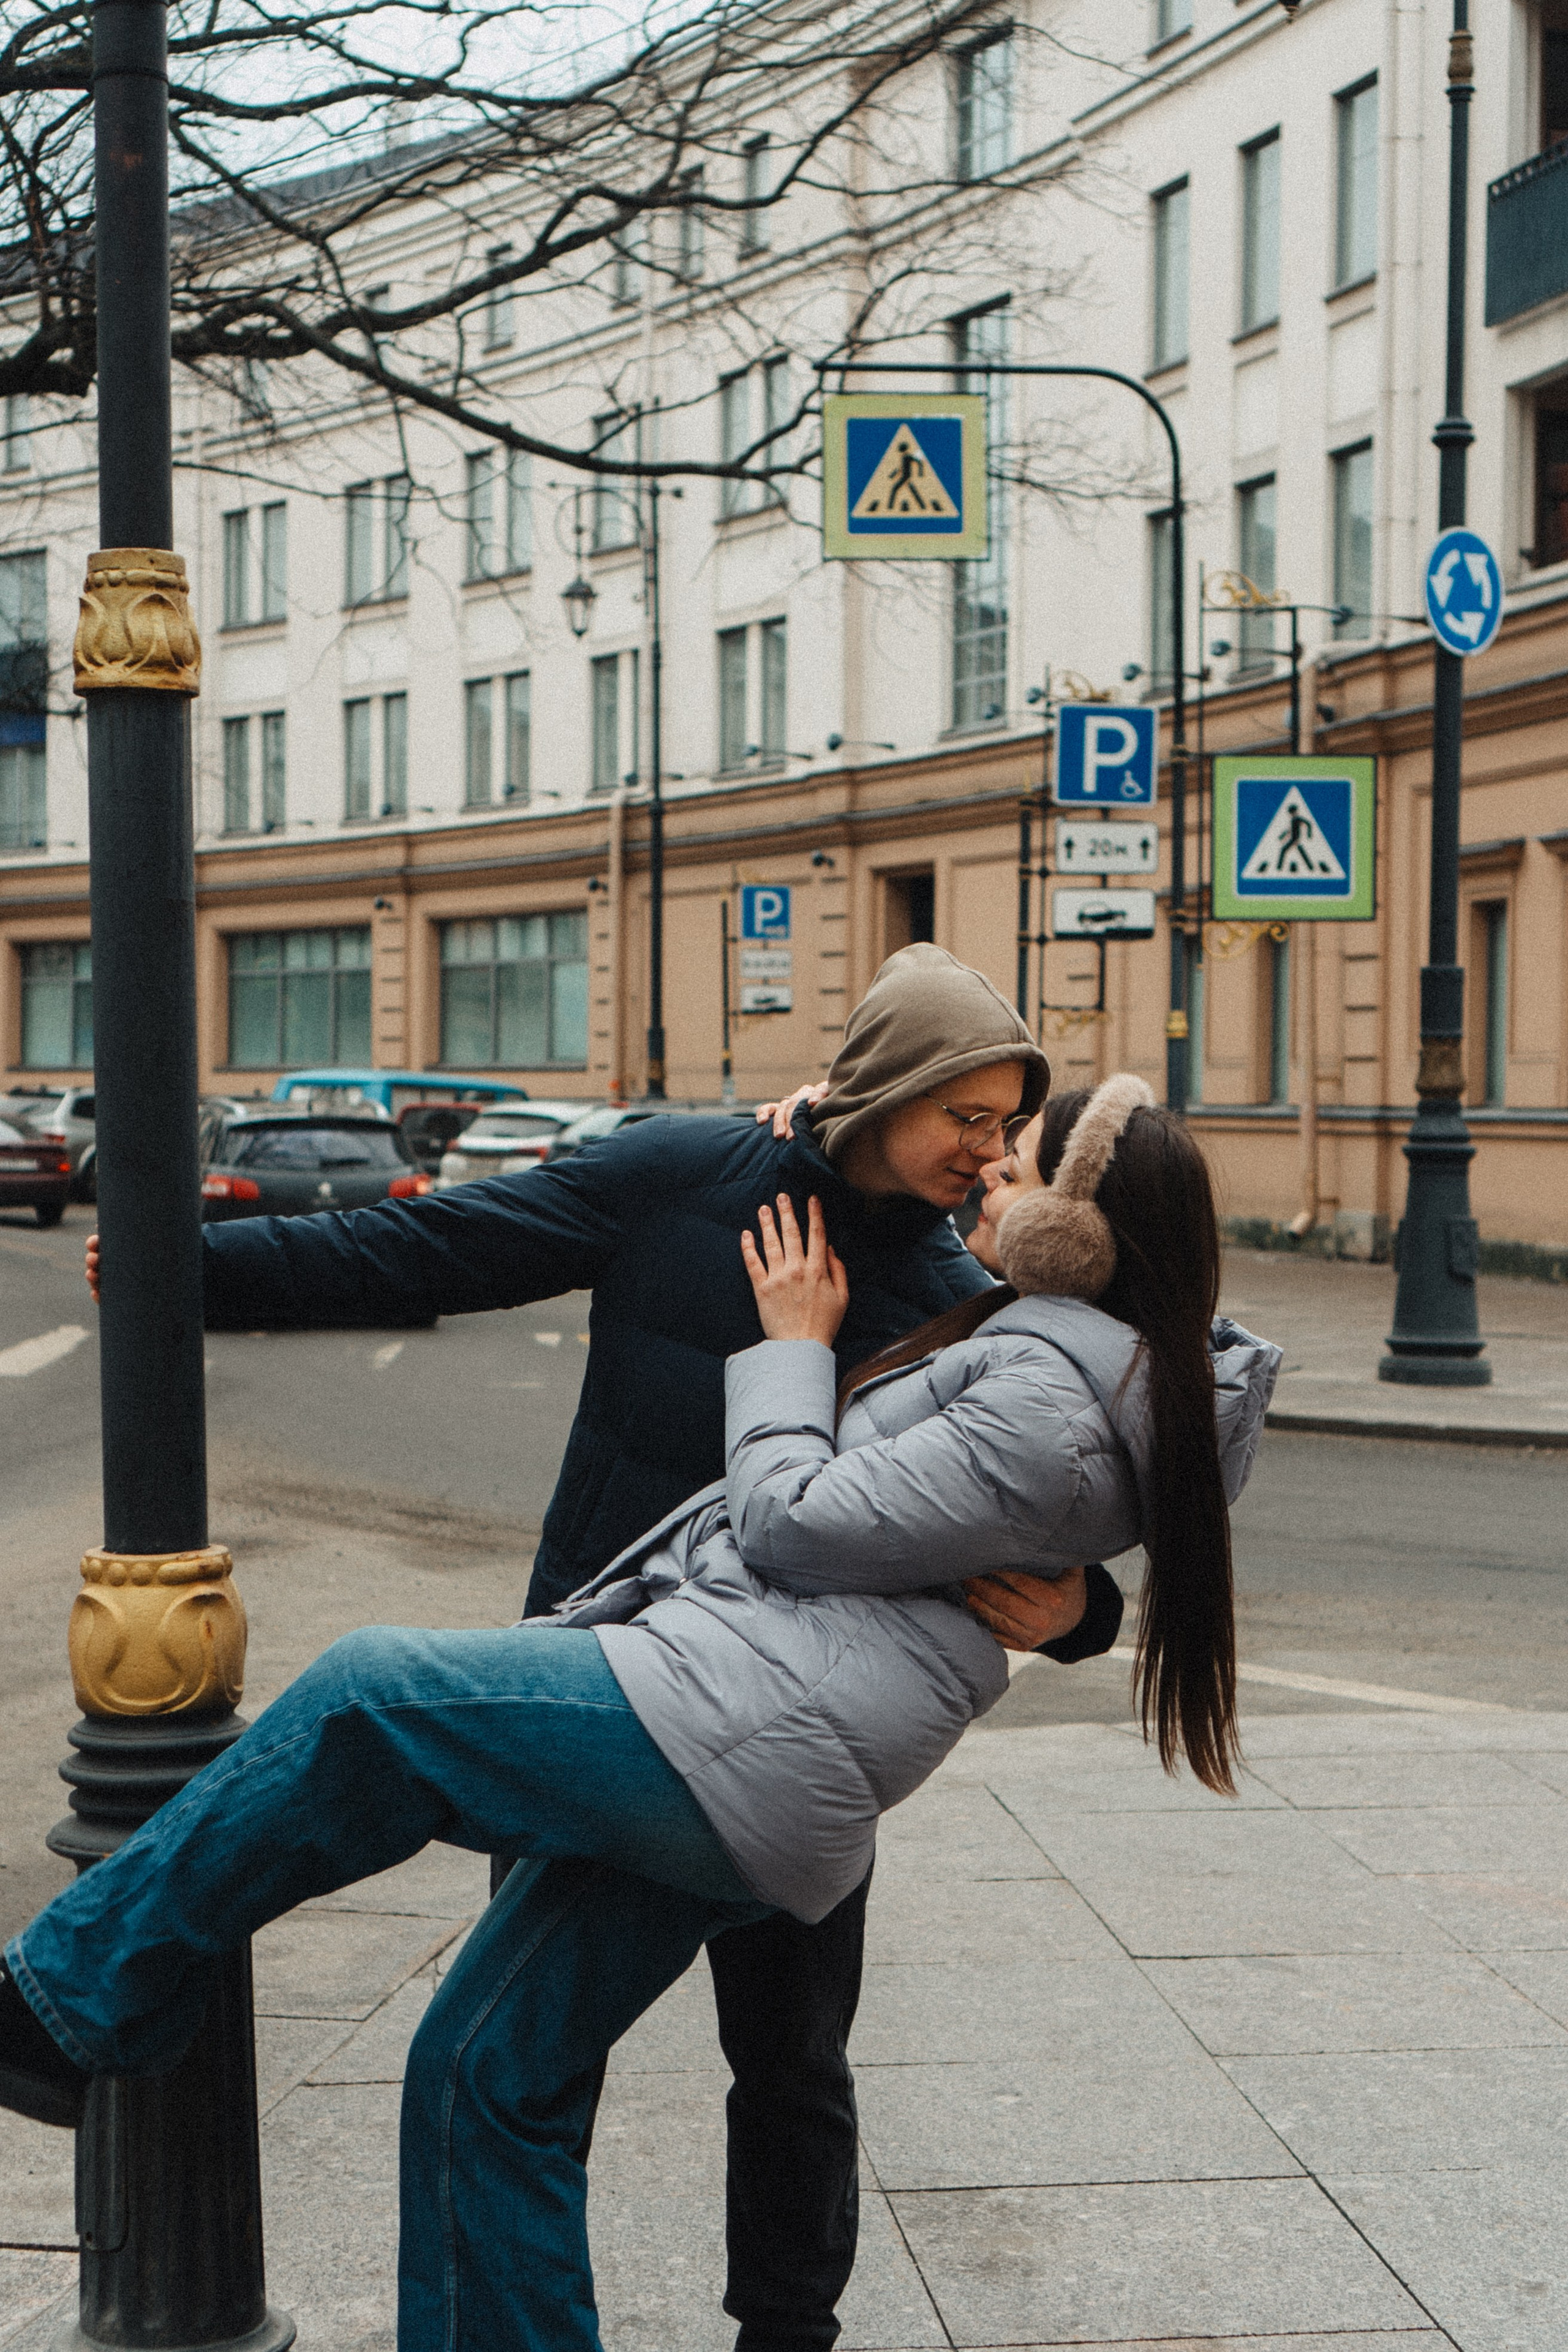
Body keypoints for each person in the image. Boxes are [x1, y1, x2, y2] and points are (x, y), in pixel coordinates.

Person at [9, 1072, 1280, 2352]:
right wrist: (197, 1268)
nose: (985, 1153)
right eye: (964, 1116)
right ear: (874, 1094)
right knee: (486, 2073)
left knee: (393, 1714)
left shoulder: (974, 1301)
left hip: (746, 1721)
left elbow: (990, 1500)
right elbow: (437, 1244)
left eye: (1006, 1136)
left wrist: (1069, 1606)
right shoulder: (712, 1183)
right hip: (655, 1676)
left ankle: (68, 2005)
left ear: (1070, 1230)